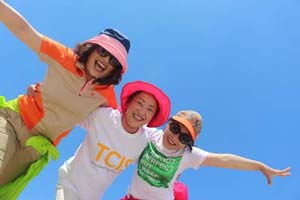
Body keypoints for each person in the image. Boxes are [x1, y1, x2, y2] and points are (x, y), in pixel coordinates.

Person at [0, 0, 130, 196]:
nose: (105, 60)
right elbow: (24, 31)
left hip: (36, 148)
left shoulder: (106, 96)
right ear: (92, 48)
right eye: (103, 52)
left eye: (113, 61)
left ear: (115, 70)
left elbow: (120, 126)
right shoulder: (64, 57)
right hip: (13, 121)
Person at [123, 110, 291, 200]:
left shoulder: (188, 155)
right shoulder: (150, 136)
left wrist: (260, 167)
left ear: (188, 143)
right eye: (174, 128)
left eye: (184, 137)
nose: (175, 137)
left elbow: (225, 160)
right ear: (169, 123)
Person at [55, 80, 171, 200]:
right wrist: (42, 94)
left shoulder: (145, 142)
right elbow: (70, 108)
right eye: (139, 103)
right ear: (128, 103)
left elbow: (173, 144)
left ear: (152, 118)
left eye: (150, 109)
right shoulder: (104, 117)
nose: (142, 111)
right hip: (70, 184)